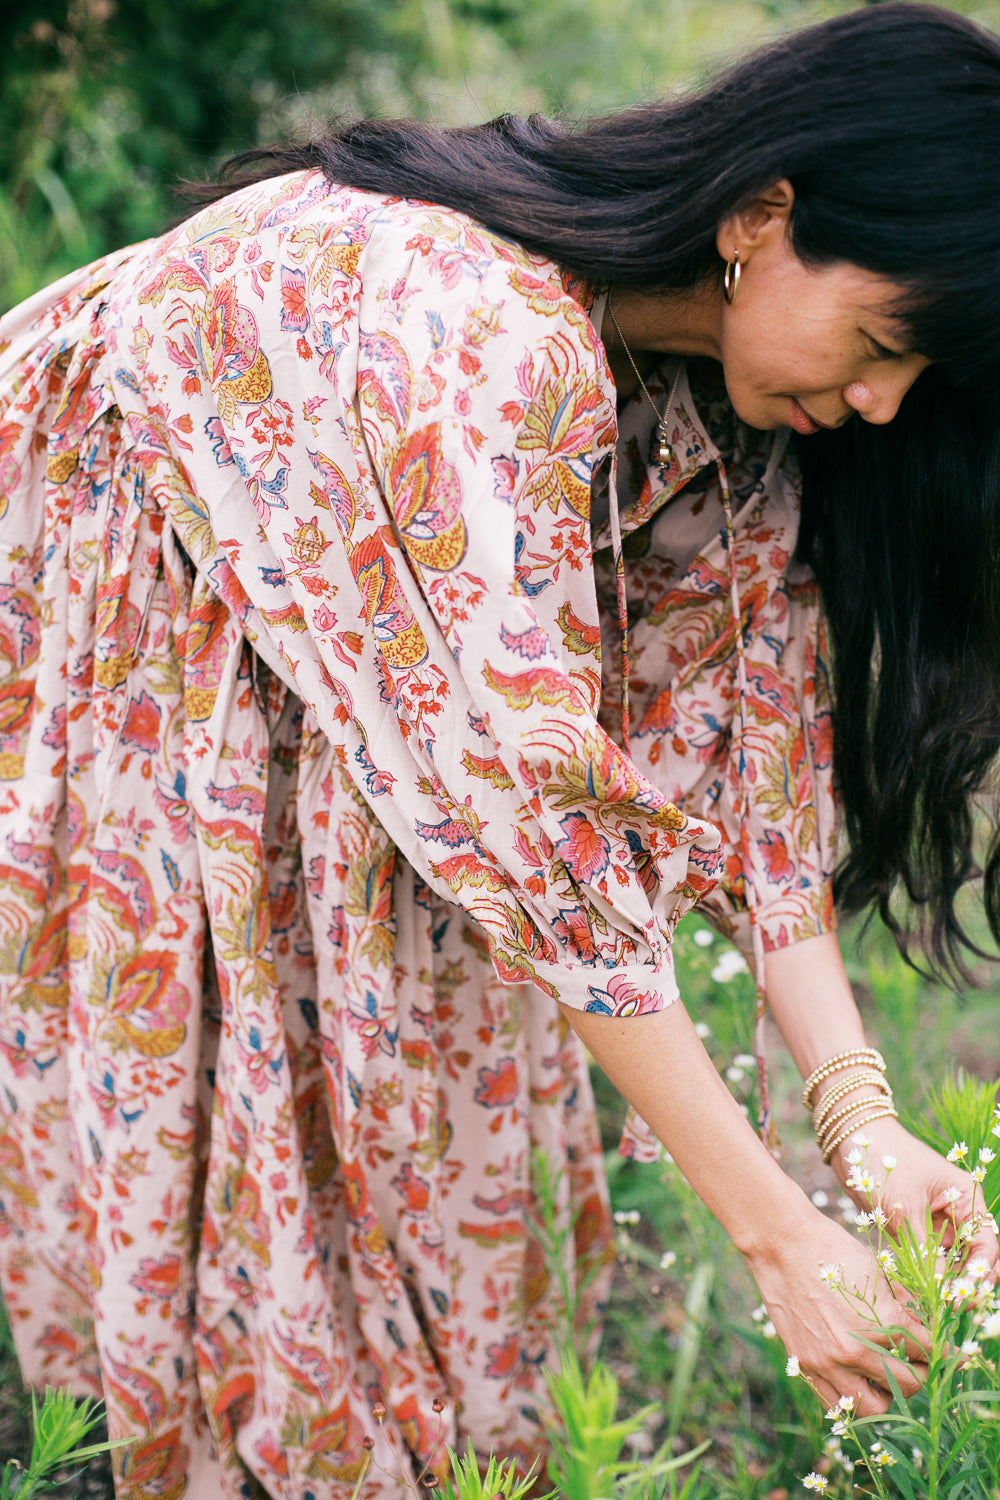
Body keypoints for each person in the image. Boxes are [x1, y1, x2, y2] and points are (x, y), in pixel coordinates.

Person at [1, 2, 1000, 1494]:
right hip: (121, 627)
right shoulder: (468, 335)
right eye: (881, 344)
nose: (878, 403)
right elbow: (538, 838)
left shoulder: (739, 427)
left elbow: (758, 782)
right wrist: (777, 1236)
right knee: (234, 1094)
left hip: (349, 722)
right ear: (763, 212)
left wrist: (863, 1134)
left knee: (432, 1082)